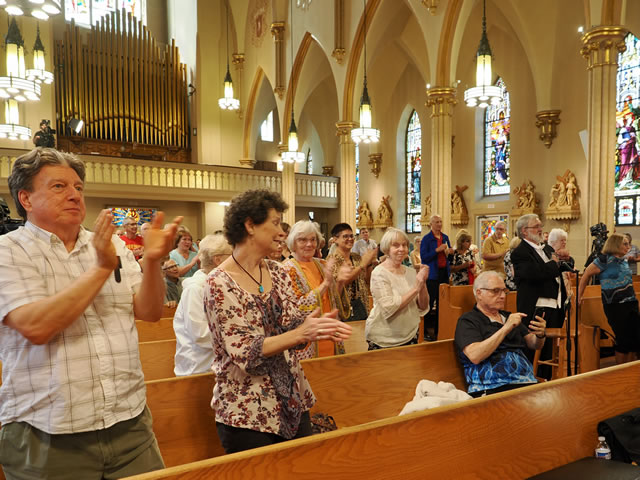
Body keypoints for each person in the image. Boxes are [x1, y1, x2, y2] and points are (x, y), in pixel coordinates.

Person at [0, 148, 180, 479]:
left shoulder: (113, 244)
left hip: (129, 424)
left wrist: (153, 262)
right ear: (26, 198)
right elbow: (36, 327)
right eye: (59, 187)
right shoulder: (9, 251)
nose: (74, 195)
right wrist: (101, 269)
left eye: (78, 187)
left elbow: (150, 311)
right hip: (48, 433)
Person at [203, 189, 351, 454]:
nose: (282, 232)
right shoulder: (219, 282)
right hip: (248, 412)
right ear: (250, 225)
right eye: (275, 223)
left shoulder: (276, 271)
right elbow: (245, 352)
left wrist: (313, 327)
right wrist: (300, 333)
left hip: (292, 401)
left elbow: (291, 323)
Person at [454, 271, 546, 397]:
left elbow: (534, 344)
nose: (502, 296)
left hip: (525, 382)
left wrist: (540, 334)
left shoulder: (508, 316)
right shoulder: (468, 320)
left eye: (504, 291)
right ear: (479, 293)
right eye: (495, 291)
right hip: (492, 388)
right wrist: (505, 328)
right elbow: (475, 355)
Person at [283, 220, 351, 358]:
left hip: (330, 335)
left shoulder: (322, 264)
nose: (309, 244)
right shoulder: (287, 269)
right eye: (303, 240)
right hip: (307, 341)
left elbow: (333, 300)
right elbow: (299, 307)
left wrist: (340, 282)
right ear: (293, 243)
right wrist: (326, 283)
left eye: (313, 239)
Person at [174, 234, 231, 376]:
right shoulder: (195, 289)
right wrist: (237, 337)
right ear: (218, 260)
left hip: (220, 362)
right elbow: (200, 334)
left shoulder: (222, 284)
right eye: (231, 256)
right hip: (198, 367)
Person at [578, 233, 640, 364]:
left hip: (631, 302)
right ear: (615, 244)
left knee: (634, 339)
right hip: (614, 305)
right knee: (622, 338)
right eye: (625, 244)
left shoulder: (623, 260)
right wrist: (579, 295)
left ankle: (630, 369)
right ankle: (620, 370)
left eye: (628, 244)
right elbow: (586, 275)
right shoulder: (603, 260)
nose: (628, 247)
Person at [365, 228, 429, 349]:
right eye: (396, 245)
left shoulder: (411, 272)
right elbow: (389, 308)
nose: (401, 249)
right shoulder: (379, 273)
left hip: (410, 334)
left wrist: (423, 283)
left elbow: (423, 306)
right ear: (387, 249)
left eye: (404, 245)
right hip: (385, 338)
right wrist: (416, 288)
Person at [511, 214, 566, 330]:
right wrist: (554, 263)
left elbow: (553, 269)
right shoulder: (520, 252)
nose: (540, 229)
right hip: (536, 305)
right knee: (536, 339)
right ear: (524, 231)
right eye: (536, 226)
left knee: (552, 339)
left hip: (556, 303)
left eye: (541, 226)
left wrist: (564, 262)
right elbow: (536, 273)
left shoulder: (547, 248)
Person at [327, 223, 378, 321]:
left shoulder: (356, 257)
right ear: (335, 239)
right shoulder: (332, 260)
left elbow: (366, 280)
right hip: (343, 308)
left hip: (361, 306)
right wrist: (362, 265)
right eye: (345, 236)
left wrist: (369, 264)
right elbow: (341, 283)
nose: (350, 239)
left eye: (351, 236)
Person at [420, 214, 454, 340]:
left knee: (442, 304)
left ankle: (439, 331)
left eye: (440, 221)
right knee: (429, 303)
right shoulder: (427, 239)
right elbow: (424, 257)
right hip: (432, 274)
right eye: (436, 222)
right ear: (431, 224)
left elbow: (449, 258)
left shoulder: (445, 237)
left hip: (444, 273)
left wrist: (451, 253)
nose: (439, 224)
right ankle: (425, 331)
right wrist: (437, 250)